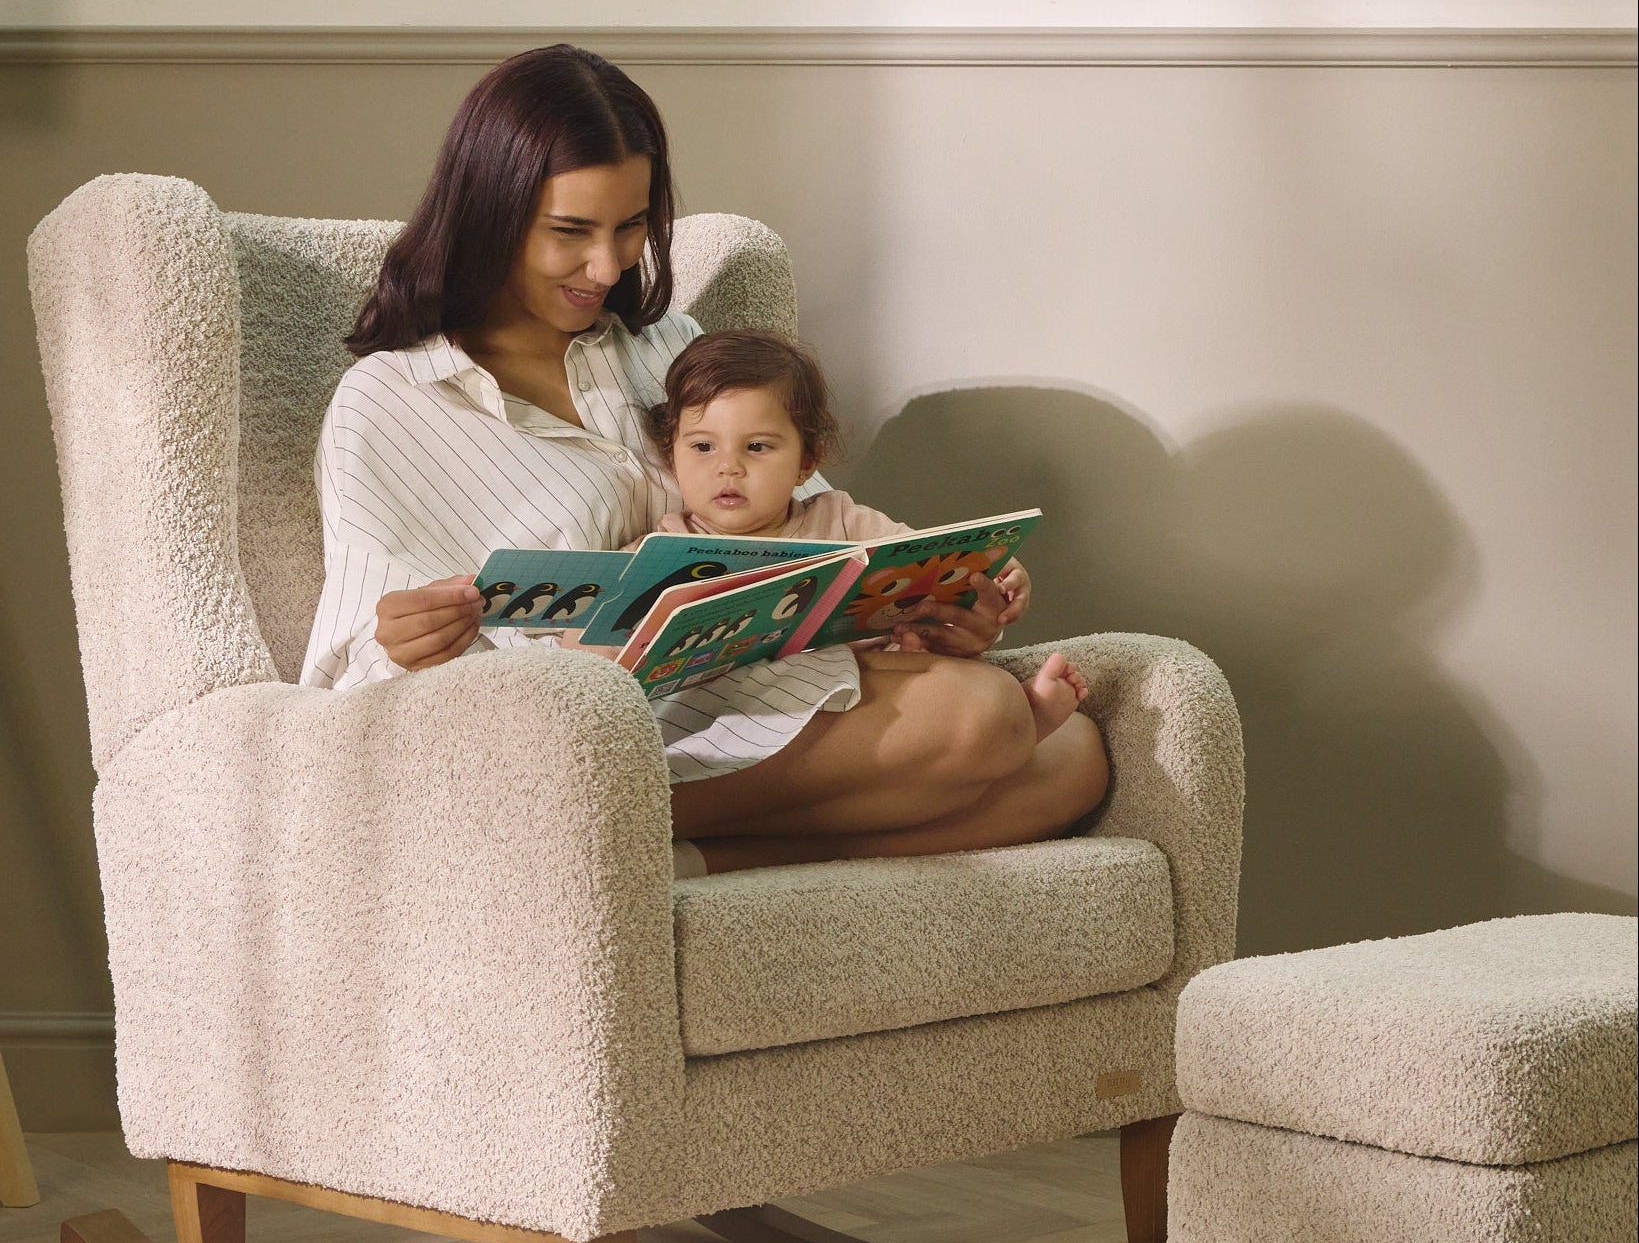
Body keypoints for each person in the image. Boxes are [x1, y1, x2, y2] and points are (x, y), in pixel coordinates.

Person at [299, 44, 1109, 875]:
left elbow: (810, 534)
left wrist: (931, 609)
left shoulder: (668, 347)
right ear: (489, 214)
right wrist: (402, 643)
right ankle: (601, 825)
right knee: (986, 722)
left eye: (629, 227)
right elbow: (344, 678)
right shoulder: (388, 400)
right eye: (570, 232)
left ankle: (688, 859)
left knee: (1074, 754)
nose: (608, 267)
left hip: (760, 688)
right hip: (571, 741)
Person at [632, 326, 1090, 746]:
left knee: (924, 662)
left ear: (806, 462)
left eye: (757, 446)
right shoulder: (663, 548)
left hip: (878, 699)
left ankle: (1017, 724)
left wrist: (998, 573)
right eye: (702, 446)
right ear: (672, 454)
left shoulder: (844, 519)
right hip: (764, 716)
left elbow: (940, 563)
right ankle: (1015, 727)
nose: (727, 466)